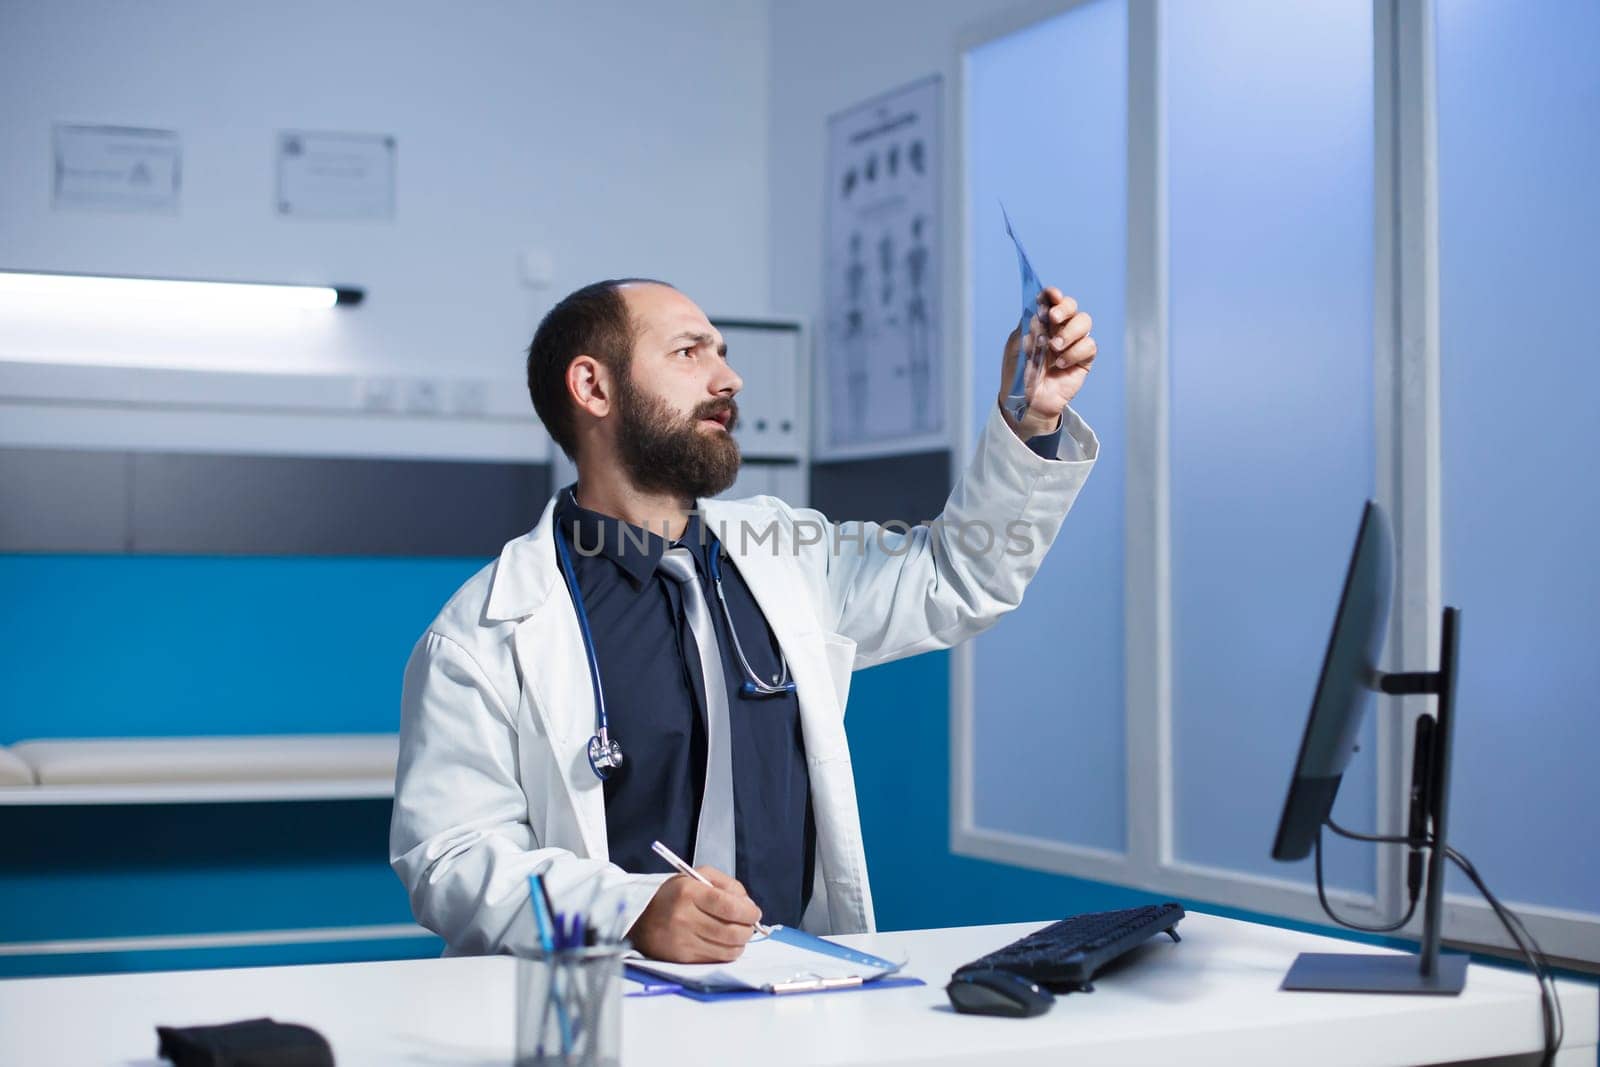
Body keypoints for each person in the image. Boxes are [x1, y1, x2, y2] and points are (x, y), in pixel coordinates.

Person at [391, 278, 1099, 963]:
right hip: (610, 1008)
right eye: (690, 352)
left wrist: (1027, 417)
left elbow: (958, 575)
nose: (728, 379)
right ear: (594, 387)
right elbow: (449, 859)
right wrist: (630, 911)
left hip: (793, 993)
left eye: (723, 352)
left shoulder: (788, 555)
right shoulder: (486, 632)